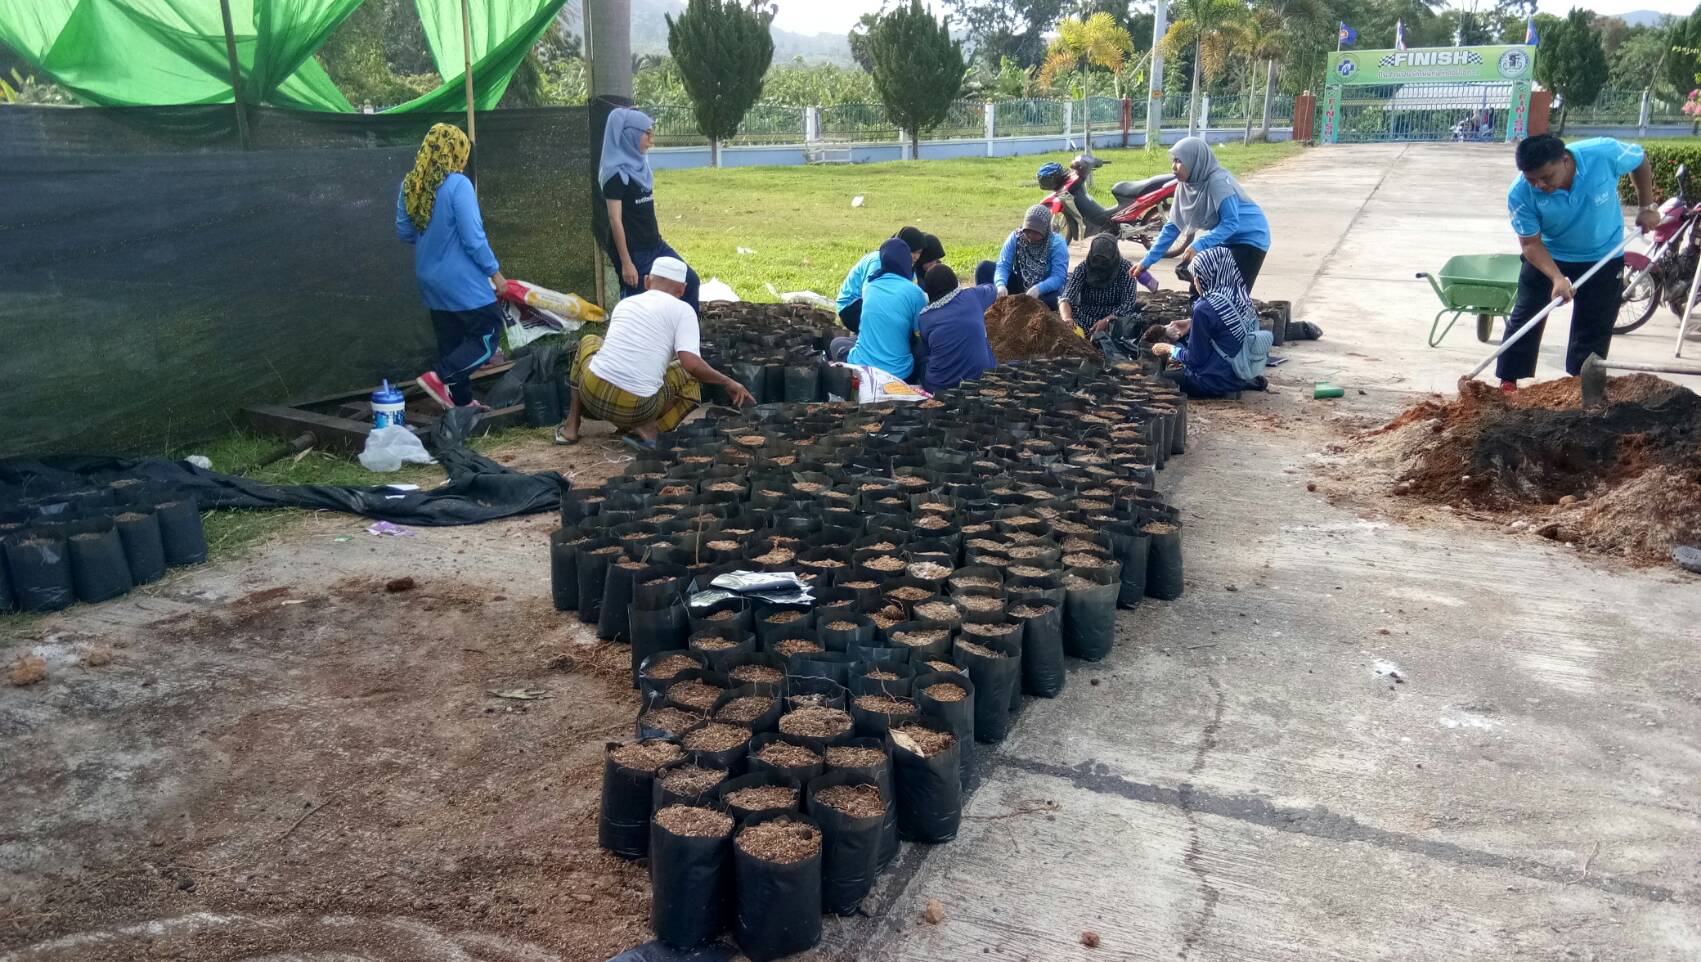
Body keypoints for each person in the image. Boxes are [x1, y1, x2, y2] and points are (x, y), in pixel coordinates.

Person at [1498, 133, 1658, 391]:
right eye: (1532, 179)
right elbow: (1530, 243)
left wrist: (1646, 206)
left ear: (1565, 160)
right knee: (1527, 315)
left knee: (1594, 325)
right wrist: (1556, 277)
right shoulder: (1520, 192)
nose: (1539, 185)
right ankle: (1508, 384)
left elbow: (1639, 160)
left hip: (1604, 255)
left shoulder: (1602, 153)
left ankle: (1582, 386)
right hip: (1550, 257)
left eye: (1546, 177)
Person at [556, 257, 753, 449]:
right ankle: (650, 428)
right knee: (690, 375)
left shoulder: (626, 304)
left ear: (647, 281)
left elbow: (612, 349)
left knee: (589, 341)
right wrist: (728, 382)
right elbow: (691, 363)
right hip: (636, 408)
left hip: (592, 393)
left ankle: (571, 426)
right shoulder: (683, 311)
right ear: (682, 289)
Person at [395, 123, 507, 410]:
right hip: (462, 281)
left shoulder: (411, 184)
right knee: (487, 334)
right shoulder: (458, 184)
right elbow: (473, 237)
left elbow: (405, 232)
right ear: (457, 152)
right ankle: (440, 378)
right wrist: (494, 272)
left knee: (453, 341)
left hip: (429, 279)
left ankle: (462, 401)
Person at [1137, 136, 1272, 293]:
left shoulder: (1217, 181)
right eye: (1173, 160)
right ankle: (1196, 317)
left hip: (1251, 239)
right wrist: (1146, 262)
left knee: (1233, 295)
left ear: (1194, 160)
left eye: (1179, 161)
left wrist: (1199, 244)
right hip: (1225, 239)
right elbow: (1173, 226)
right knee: (1198, 281)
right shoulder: (1185, 185)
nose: (1173, 167)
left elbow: (1230, 223)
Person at [601, 107, 701, 313]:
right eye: (647, 133)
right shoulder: (615, 175)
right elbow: (614, 220)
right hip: (634, 253)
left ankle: (687, 338)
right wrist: (626, 263)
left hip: (655, 245)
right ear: (631, 134)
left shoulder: (640, 166)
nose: (651, 140)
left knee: (690, 281)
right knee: (641, 308)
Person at [1151, 246, 1272, 398]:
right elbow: (1225, 326)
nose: (1195, 281)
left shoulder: (1204, 308)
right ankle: (1243, 383)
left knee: (1155, 380)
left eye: (1197, 276)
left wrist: (1169, 349)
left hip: (1213, 381)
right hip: (1241, 369)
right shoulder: (1239, 294)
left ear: (1205, 277)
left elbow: (1195, 359)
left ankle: (1220, 388)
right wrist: (1191, 322)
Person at [830, 238, 928, 380]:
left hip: (861, 368)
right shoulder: (915, 293)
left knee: (837, 343)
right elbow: (919, 333)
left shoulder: (869, 286)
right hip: (900, 373)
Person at [916, 264, 998, 394]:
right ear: (954, 281)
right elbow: (993, 289)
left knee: (919, 351)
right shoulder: (972, 296)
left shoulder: (925, 317)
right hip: (981, 378)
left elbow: (928, 351)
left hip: (940, 387)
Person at [837, 227, 927, 331]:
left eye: (919, 253)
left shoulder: (908, 266)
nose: (916, 257)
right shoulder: (878, 260)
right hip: (852, 307)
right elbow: (870, 295)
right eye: (913, 252)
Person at [987, 205, 1069, 310]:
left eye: (1036, 232)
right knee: (984, 268)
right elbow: (1003, 264)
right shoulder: (1016, 237)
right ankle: (991, 309)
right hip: (1020, 285)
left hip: (1044, 293)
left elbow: (1058, 277)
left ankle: (1028, 310)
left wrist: (1039, 289)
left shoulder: (1057, 243)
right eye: (1028, 230)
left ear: (1045, 229)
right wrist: (1000, 284)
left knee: (1055, 299)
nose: (1030, 235)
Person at [1062, 234, 1142, 338]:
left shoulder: (1126, 269)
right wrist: (1067, 319)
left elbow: (1128, 303)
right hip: (1085, 316)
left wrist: (1107, 320)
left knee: (1127, 327)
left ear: (1113, 255)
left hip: (1115, 317)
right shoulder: (1083, 267)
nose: (1099, 264)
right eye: (1096, 260)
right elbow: (1066, 297)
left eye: (1104, 261)